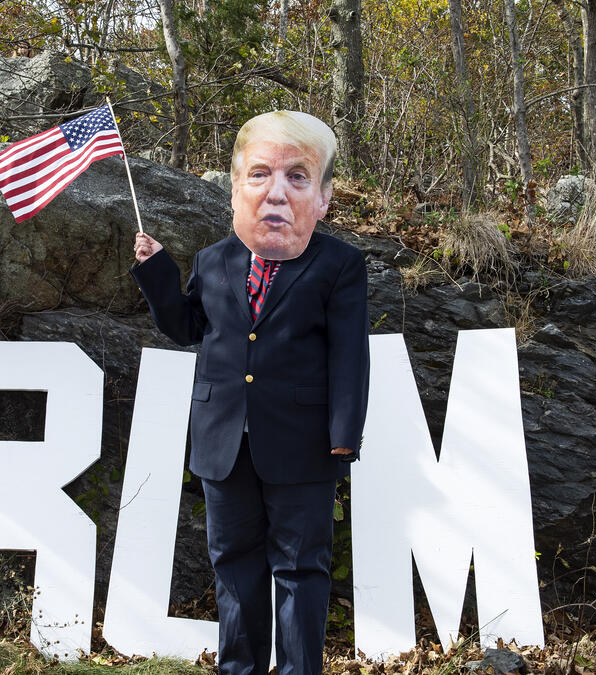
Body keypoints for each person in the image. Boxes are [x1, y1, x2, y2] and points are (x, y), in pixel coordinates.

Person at [130, 110, 370, 675]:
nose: (276, 193)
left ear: (323, 197)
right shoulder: (213, 260)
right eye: (260, 174)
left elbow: (350, 356)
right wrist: (159, 272)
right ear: (236, 188)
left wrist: (343, 437)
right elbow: (188, 328)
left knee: (299, 569)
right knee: (233, 563)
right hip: (222, 442)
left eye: (297, 177)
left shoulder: (339, 265)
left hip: (303, 446)